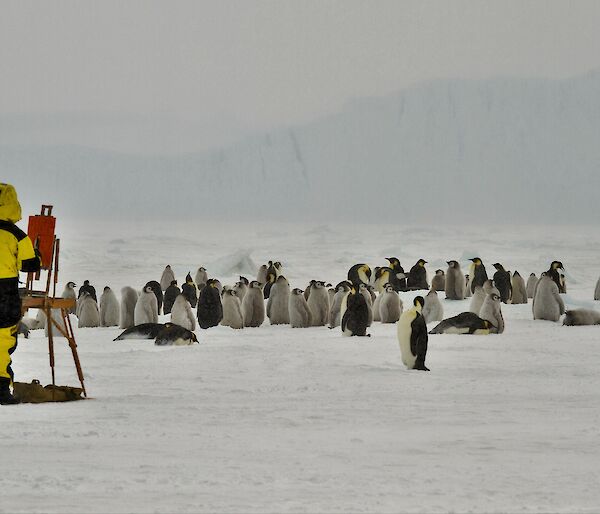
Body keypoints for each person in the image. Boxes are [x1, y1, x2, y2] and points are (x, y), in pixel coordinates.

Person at [0, 184, 41, 405]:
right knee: (2, 340)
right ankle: (0, 390)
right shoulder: (16, 234)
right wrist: (37, 253)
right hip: (4, 293)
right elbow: (31, 264)